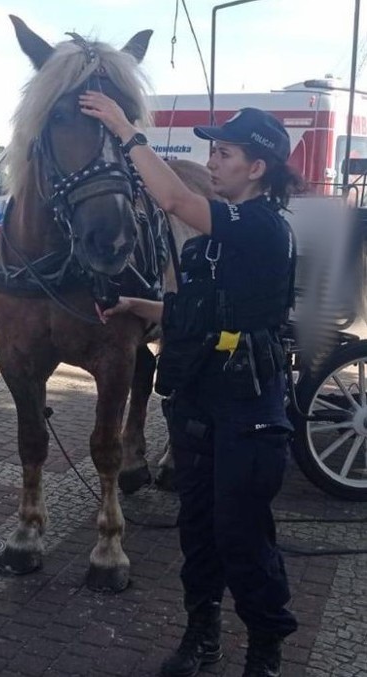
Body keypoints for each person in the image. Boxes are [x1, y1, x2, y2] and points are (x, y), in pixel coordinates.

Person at [80, 94, 303, 677]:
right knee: (198, 531)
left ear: (257, 169)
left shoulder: (260, 227)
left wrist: (128, 130)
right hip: (200, 402)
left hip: (249, 410)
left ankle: (264, 651)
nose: (212, 161)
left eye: (224, 153)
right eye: (212, 150)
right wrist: (140, 303)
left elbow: (175, 197)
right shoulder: (212, 243)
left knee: (243, 538)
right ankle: (201, 634)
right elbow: (203, 313)